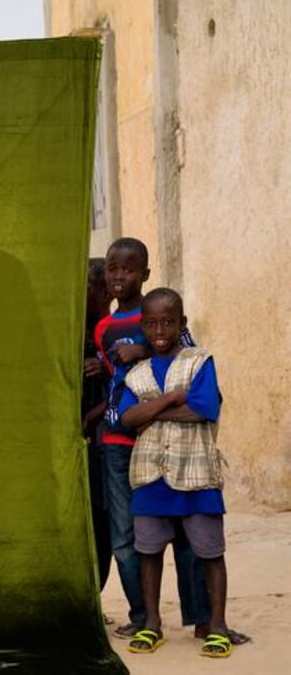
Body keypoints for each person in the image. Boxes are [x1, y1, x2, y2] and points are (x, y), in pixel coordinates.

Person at [94, 238, 209, 639]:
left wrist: (142, 347)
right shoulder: (104, 328)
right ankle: (143, 616)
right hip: (117, 442)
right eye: (112, 268)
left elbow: (189, 360)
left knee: (186, 533)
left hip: (166, 440)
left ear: (145, 273)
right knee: (128, 536)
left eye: (128, 269)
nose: (119, 276)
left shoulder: (162, 316)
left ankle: (202, 619)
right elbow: (113, 382)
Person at [119, 288, 234, 658]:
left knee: (210, 552)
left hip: (197, 474)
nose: (160, 330)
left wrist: (149, 412)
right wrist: (170, 399)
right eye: (151, 323)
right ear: (143, 327)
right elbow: (127, 418)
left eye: (168, 321)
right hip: (151, 476)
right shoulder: (136, 373)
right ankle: (152, 624)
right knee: (149, 552)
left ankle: (216, 625)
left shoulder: (200, 361)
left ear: (181, 324)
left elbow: (205, 409)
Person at [82, 258, 111, 591]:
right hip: (85, 439)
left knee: (104, 521)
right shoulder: (76, 331)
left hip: (109, 440)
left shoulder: (121, 332)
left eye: (86, 289)